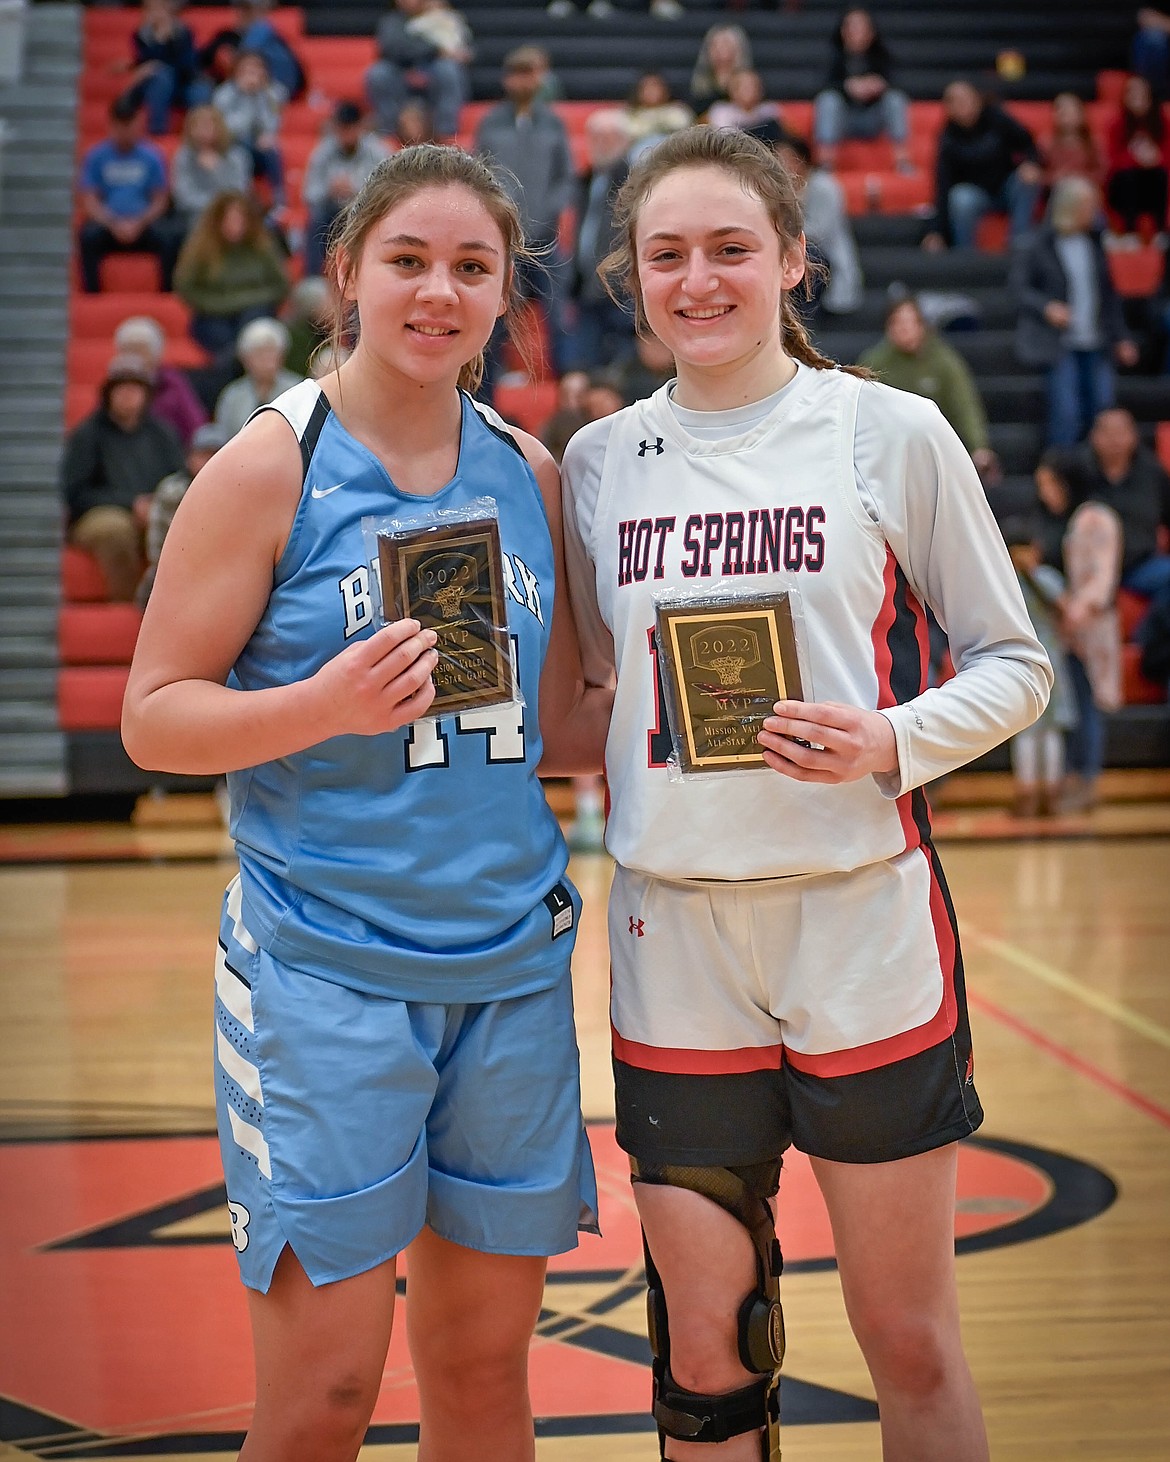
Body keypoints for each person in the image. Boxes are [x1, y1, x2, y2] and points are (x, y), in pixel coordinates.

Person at [560, 125, 1051, 1462]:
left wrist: (887, 737)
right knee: (706, 1359)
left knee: (907, 1338)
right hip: (675, 937)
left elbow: (1016, 666)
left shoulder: (889, 430)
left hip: (861, 925)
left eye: (730, 247)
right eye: (667, 254)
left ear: (790, 259)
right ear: (634, 277)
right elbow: (593, 694)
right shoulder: (598, 463)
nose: (699, 278)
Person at [119, 143, 609, 1461]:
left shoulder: (531, 471)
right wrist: (316, 707)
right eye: (407, 260)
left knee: (479, 1369)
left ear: (507, 298)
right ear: (347, 274)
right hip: (322, 973)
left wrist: (715, 690)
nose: (436, 291)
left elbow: (559, 728)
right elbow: (152, 712)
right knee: (326, 1396)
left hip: (508, 969)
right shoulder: (267, 468)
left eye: (470, 267)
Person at [474, 47, 576, 382]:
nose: (524, 80)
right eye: (518, 73)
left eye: (530, 73)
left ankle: (563, 382)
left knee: (556, 313)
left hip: (544, 238)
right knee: (495, 314)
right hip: (502, 239)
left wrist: (549, 211)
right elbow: (480, 174)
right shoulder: (491, 122)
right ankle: (487, 386)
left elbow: (566, 177)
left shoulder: (553, 124)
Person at [1011, 176, 1137, 448]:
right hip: (1060, 344)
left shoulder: (1094, 244)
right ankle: (1064, 474)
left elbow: (1108, 296)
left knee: (1103, 411)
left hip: (1096, 341)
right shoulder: (1037, 245)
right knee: (1066, 414)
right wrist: (1047, 307)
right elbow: (1019, 290)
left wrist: (1121, 337)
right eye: (1088, 207)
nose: (1094, 213)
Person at [61, 353, 185, 602]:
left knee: (180, 526)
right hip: (99, 514)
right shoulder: (87, 435)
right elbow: (74, 493)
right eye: (122, 388)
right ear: (109, 394)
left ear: (146, 394)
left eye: (135, 388)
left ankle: (179, 605)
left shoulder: (163, 434)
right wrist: (130, 503)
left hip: (156, 508)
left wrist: (155, 504)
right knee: (115, 532)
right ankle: (128, 606)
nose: (128, 394)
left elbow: (180, 478)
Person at [860, 295, 999, 480]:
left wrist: (979, 446)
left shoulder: (943, 361)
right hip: (889, 450)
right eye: (897, 323)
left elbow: (964, 405)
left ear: (922, 325)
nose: (904, 329)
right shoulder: (873, 362)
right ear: (888, 328)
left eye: (910, 322)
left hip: (935, 449)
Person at [1003, 525, 1076, 818]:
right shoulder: (1048, 578)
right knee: (1051, 730)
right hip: (1051, 660)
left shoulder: (1005, 582)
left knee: (1025, 730)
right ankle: (1051, 795)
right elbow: (1066, 613)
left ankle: (1027, 795)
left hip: (1018, 662)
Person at [923, 80, 1043, 250]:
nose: (963, 106)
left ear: (978, 100)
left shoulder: (997, 118)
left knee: (1028, 178)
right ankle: (965, 255)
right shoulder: (947, 139)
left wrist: (1031, 162)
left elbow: (1027, 142)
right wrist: (936, 231)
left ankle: (1019, 242)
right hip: (976, 194)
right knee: (960, 198)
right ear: (948, 109)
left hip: (1006, 186)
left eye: (966, 99)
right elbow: (942, 186)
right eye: (955, 102)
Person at [77, 95, 176, 294]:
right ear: (112, 125)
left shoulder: (151, 156)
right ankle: (92, 294)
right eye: (121, 126)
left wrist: (139, 223)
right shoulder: (96, 156)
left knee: (170, 236)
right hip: (109, 224)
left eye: (130, 125)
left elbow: (160, 200)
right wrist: (114, 223)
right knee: (87, 235)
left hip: (143, 224)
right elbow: (90, 200)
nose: (126, 132)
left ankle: (168, 293)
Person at [1068, 407, 1170, 599]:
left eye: (1121, 432)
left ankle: (1148, 630)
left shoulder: (1152, 474)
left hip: (1138, 565)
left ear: (1134, 436)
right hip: (1087, 570)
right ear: (1094, 436)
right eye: (1107, 432)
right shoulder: (1076, 472)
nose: (1114, 440)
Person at [174, 190, 289, 355]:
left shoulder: (263, 246)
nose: (235, 225)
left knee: (255, 329)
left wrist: (245, 300)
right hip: (213, 314)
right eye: (229, 220)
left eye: (240, 220)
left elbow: (281, 285)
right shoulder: (200, 249)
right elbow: (185, 286)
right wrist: (216, 304)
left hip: (253, 310)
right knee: (222, 340)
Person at [568, 109, 636, 371]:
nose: (602, 143)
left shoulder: (634, 183)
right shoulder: (586, 180)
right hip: (587, 287)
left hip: (621, 291)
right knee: (586, 366)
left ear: (625, 141)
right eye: (596, 137)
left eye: (610, 137)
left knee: (620, 370)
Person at [137, 422, 230, 606]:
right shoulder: (170, 492)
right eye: (203, 454)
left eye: (215, 453)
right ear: (190, 458)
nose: (208, 461)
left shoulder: (240, 493)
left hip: (221, 572)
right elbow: (158, 548)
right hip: (175, 570)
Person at [812, 7, 911, 173]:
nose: (857, 32)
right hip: (845, 119)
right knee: (828, 100)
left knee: (895, 98)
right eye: (852, 27)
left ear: (871, 32)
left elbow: (900, 84)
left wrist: (879, 85)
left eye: (861, 27)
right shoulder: (832, 57)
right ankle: (826, 163)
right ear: (843, 31)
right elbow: (819, 88)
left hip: (874, 117)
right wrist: (847, 87)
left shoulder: (882, 56)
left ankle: (902, 160)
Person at [777, 135, 864, 316]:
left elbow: (819, 232)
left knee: (808, 252)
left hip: (826, 257)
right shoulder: (779, 191)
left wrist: (781, 232)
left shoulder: (825, 186)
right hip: (791, 252)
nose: (781, 165)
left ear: (801, 159)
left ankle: (807, 315)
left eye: (785, 159)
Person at [302, 101, 390, 276]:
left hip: (365, 212)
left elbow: (387, 192)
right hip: (331, 211)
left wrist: (355, 190)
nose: (346, 134)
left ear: (360, 127)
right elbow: (309, 193)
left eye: (350, 128)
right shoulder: (323, 152)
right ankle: (313, 279)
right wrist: (329, 190)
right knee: (315, 219)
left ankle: (372, 273)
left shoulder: (377, 151)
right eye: (342, 129)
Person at [365, 0, 471, 143]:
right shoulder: (390, 21)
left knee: (448, 70)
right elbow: (392, 47)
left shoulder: (445, 17)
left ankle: (446, 133)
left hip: (434, 77)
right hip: (401, 76)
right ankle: (388, 131)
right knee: (378, 73)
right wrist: (435, 50)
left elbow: (462, 48)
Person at [112, 314, 209, 446]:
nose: (135, 357)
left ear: (155, 354)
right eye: (129, 350)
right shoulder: (113, 386)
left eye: (141, 350)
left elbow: (195, 426)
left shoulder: (172, 384)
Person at [212, 48, 287, 208]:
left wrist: (258, 96)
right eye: (247, 69)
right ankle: (243, 197)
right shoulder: (223, 95)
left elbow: (271, 123)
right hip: (232, 143)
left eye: (257, 69)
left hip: (259, 145)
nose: (252, 74)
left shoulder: (270, 93)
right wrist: (246, 96)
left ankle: (279, 198)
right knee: (240, 152)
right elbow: (228, 129)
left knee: (271, 149)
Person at [118, 0, 205, 136]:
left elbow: (188, 66)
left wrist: (169, 41)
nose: (157, 14)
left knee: (200, 90)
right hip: (156, 86)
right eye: (152, 10)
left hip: (183, 82)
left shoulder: (184, 33)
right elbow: (143, 63)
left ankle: (199, 134)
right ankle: (157, 132)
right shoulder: (141, 36)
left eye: (160, 9)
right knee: (161, 76)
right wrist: (159, 43)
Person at [170, 103, 254, 239]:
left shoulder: (237, 157)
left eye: (209, 126)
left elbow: (239, 193)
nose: (204, 132)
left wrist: (217, 171)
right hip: (194, 215)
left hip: (232, 215)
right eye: (199, 126)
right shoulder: (183, 157)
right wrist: (213, 208)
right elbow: (183, 197)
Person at [213, 315, 304, 438]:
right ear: (245, 359)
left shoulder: (298, 389)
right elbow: (222, 437)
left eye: (272, 352)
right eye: (260, 354)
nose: (267, 361)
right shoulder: (233, 395)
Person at [1105, 73, 1170, 240]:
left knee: (1159, 176)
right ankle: (1129, 232)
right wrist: (1136, 158)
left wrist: (1155, 159)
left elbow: (1166, 156)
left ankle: (1160, 232)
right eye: (1132, 94)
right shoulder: (1117, 123)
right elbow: (1112, 161)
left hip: (1154, 180)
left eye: (1142, 94)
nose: (1137, 99)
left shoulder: (1163, 122)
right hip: (1125, 185)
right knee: (1128, 177)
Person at [625, 72, 694, 158]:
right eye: (646, 87)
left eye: (655, 86)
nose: (651, 91)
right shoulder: (630, 114)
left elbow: (686, 132)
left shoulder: (678, 111)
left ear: (665, 90)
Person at [689, 24, 753, 118]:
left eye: (726, 44)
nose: (720, 50)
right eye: (715, 45)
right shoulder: (699, 85)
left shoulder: (750, 82)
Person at [1044, 92, 1103, 190]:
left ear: (1082, 114)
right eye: (1061, 111)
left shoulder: (1094, 143)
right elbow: (1039, 175)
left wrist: (1079, 178)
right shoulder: (1046, 143)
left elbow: (1102, 174)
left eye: (1071, 111)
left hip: (1088, 193)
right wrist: (1055, 178)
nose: (1066, 115)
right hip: (1057, 192)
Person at [707, 70, 785, 136]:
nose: (752, 91)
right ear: (733, 91)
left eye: (755, 86)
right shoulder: (721, 112)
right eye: (745, 87)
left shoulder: (770, 111)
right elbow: (725, 141)